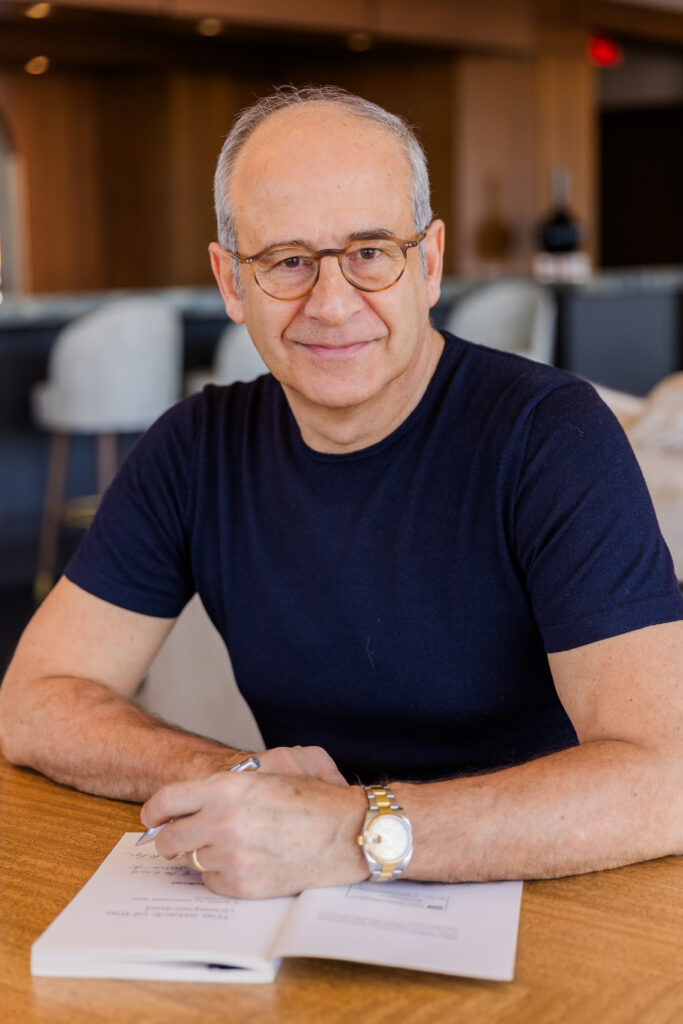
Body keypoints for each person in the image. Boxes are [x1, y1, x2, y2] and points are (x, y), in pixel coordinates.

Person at [1, 86, 682, 899]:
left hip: (552, 890)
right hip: (306, 901)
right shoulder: (195, 447)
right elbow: (34, 700)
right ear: (231, 282)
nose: (330, 304)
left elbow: (664, 778)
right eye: (287, 261)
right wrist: (245, 779)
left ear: (426, 263)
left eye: (369, 252)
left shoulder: (548, 436)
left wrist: (354, 828)